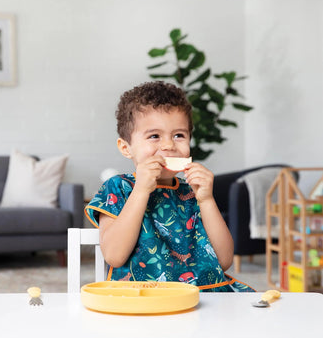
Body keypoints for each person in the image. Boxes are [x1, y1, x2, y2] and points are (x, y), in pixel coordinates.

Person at [85, 81, 254, 292]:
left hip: (202, 294)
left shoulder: (193, 192)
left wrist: (207, 200)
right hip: (143, 297)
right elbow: (114, 256)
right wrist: (140, 190)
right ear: (126, 148)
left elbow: (224, 260)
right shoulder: (118, 187)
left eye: (179, 135)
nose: (168, 145)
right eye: (154, 136)